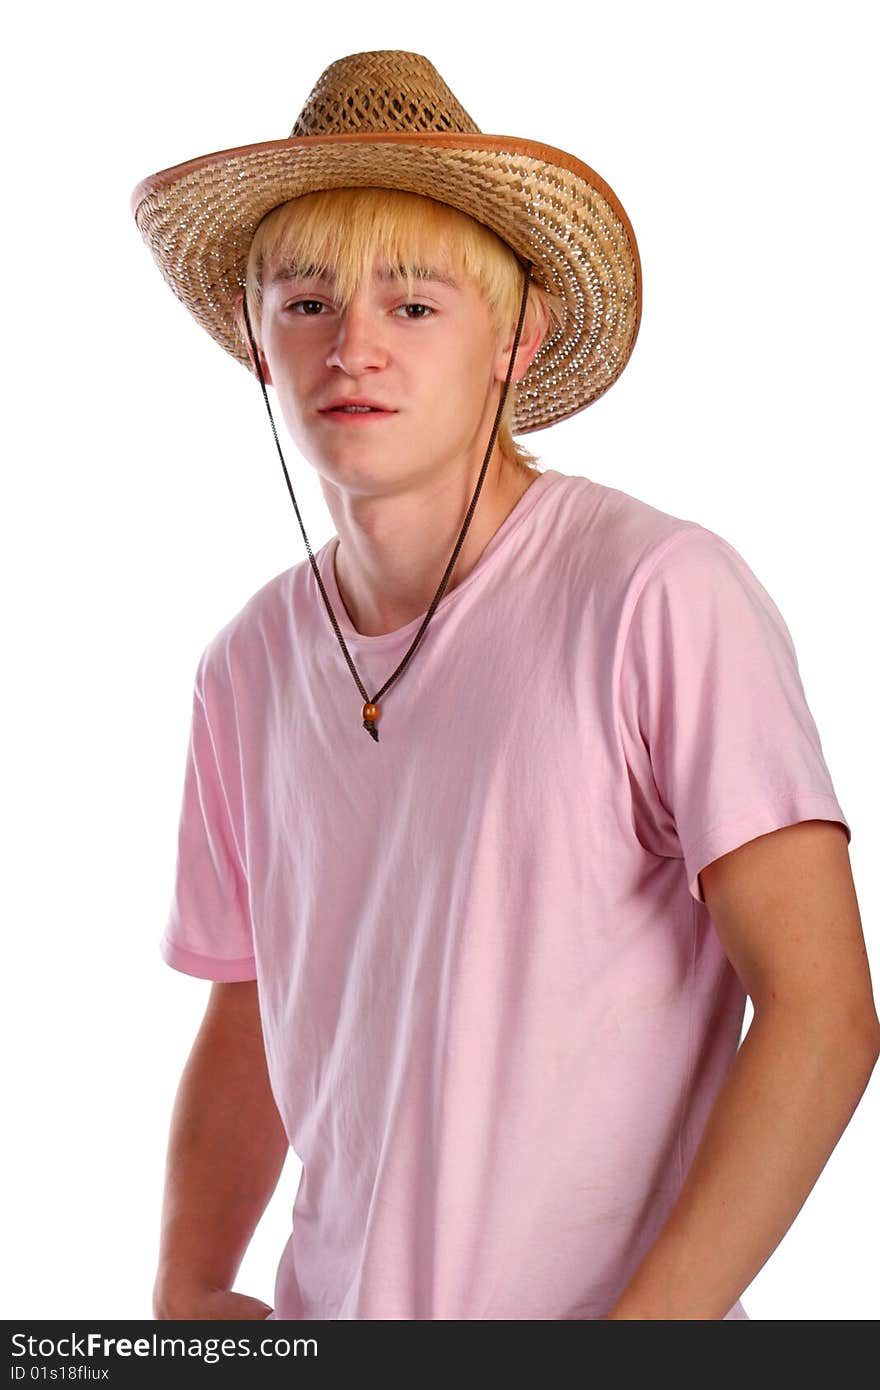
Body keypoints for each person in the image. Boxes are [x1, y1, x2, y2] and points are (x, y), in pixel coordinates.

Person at [132, 51, 879, 1322]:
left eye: (413, 306)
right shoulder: (244, 667)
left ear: (516, 338)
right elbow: (252, 994)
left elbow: (822, 1012)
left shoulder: (654, 593)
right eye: (306, 300)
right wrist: (188, 1284)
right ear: (256, 338)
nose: (352, 345)